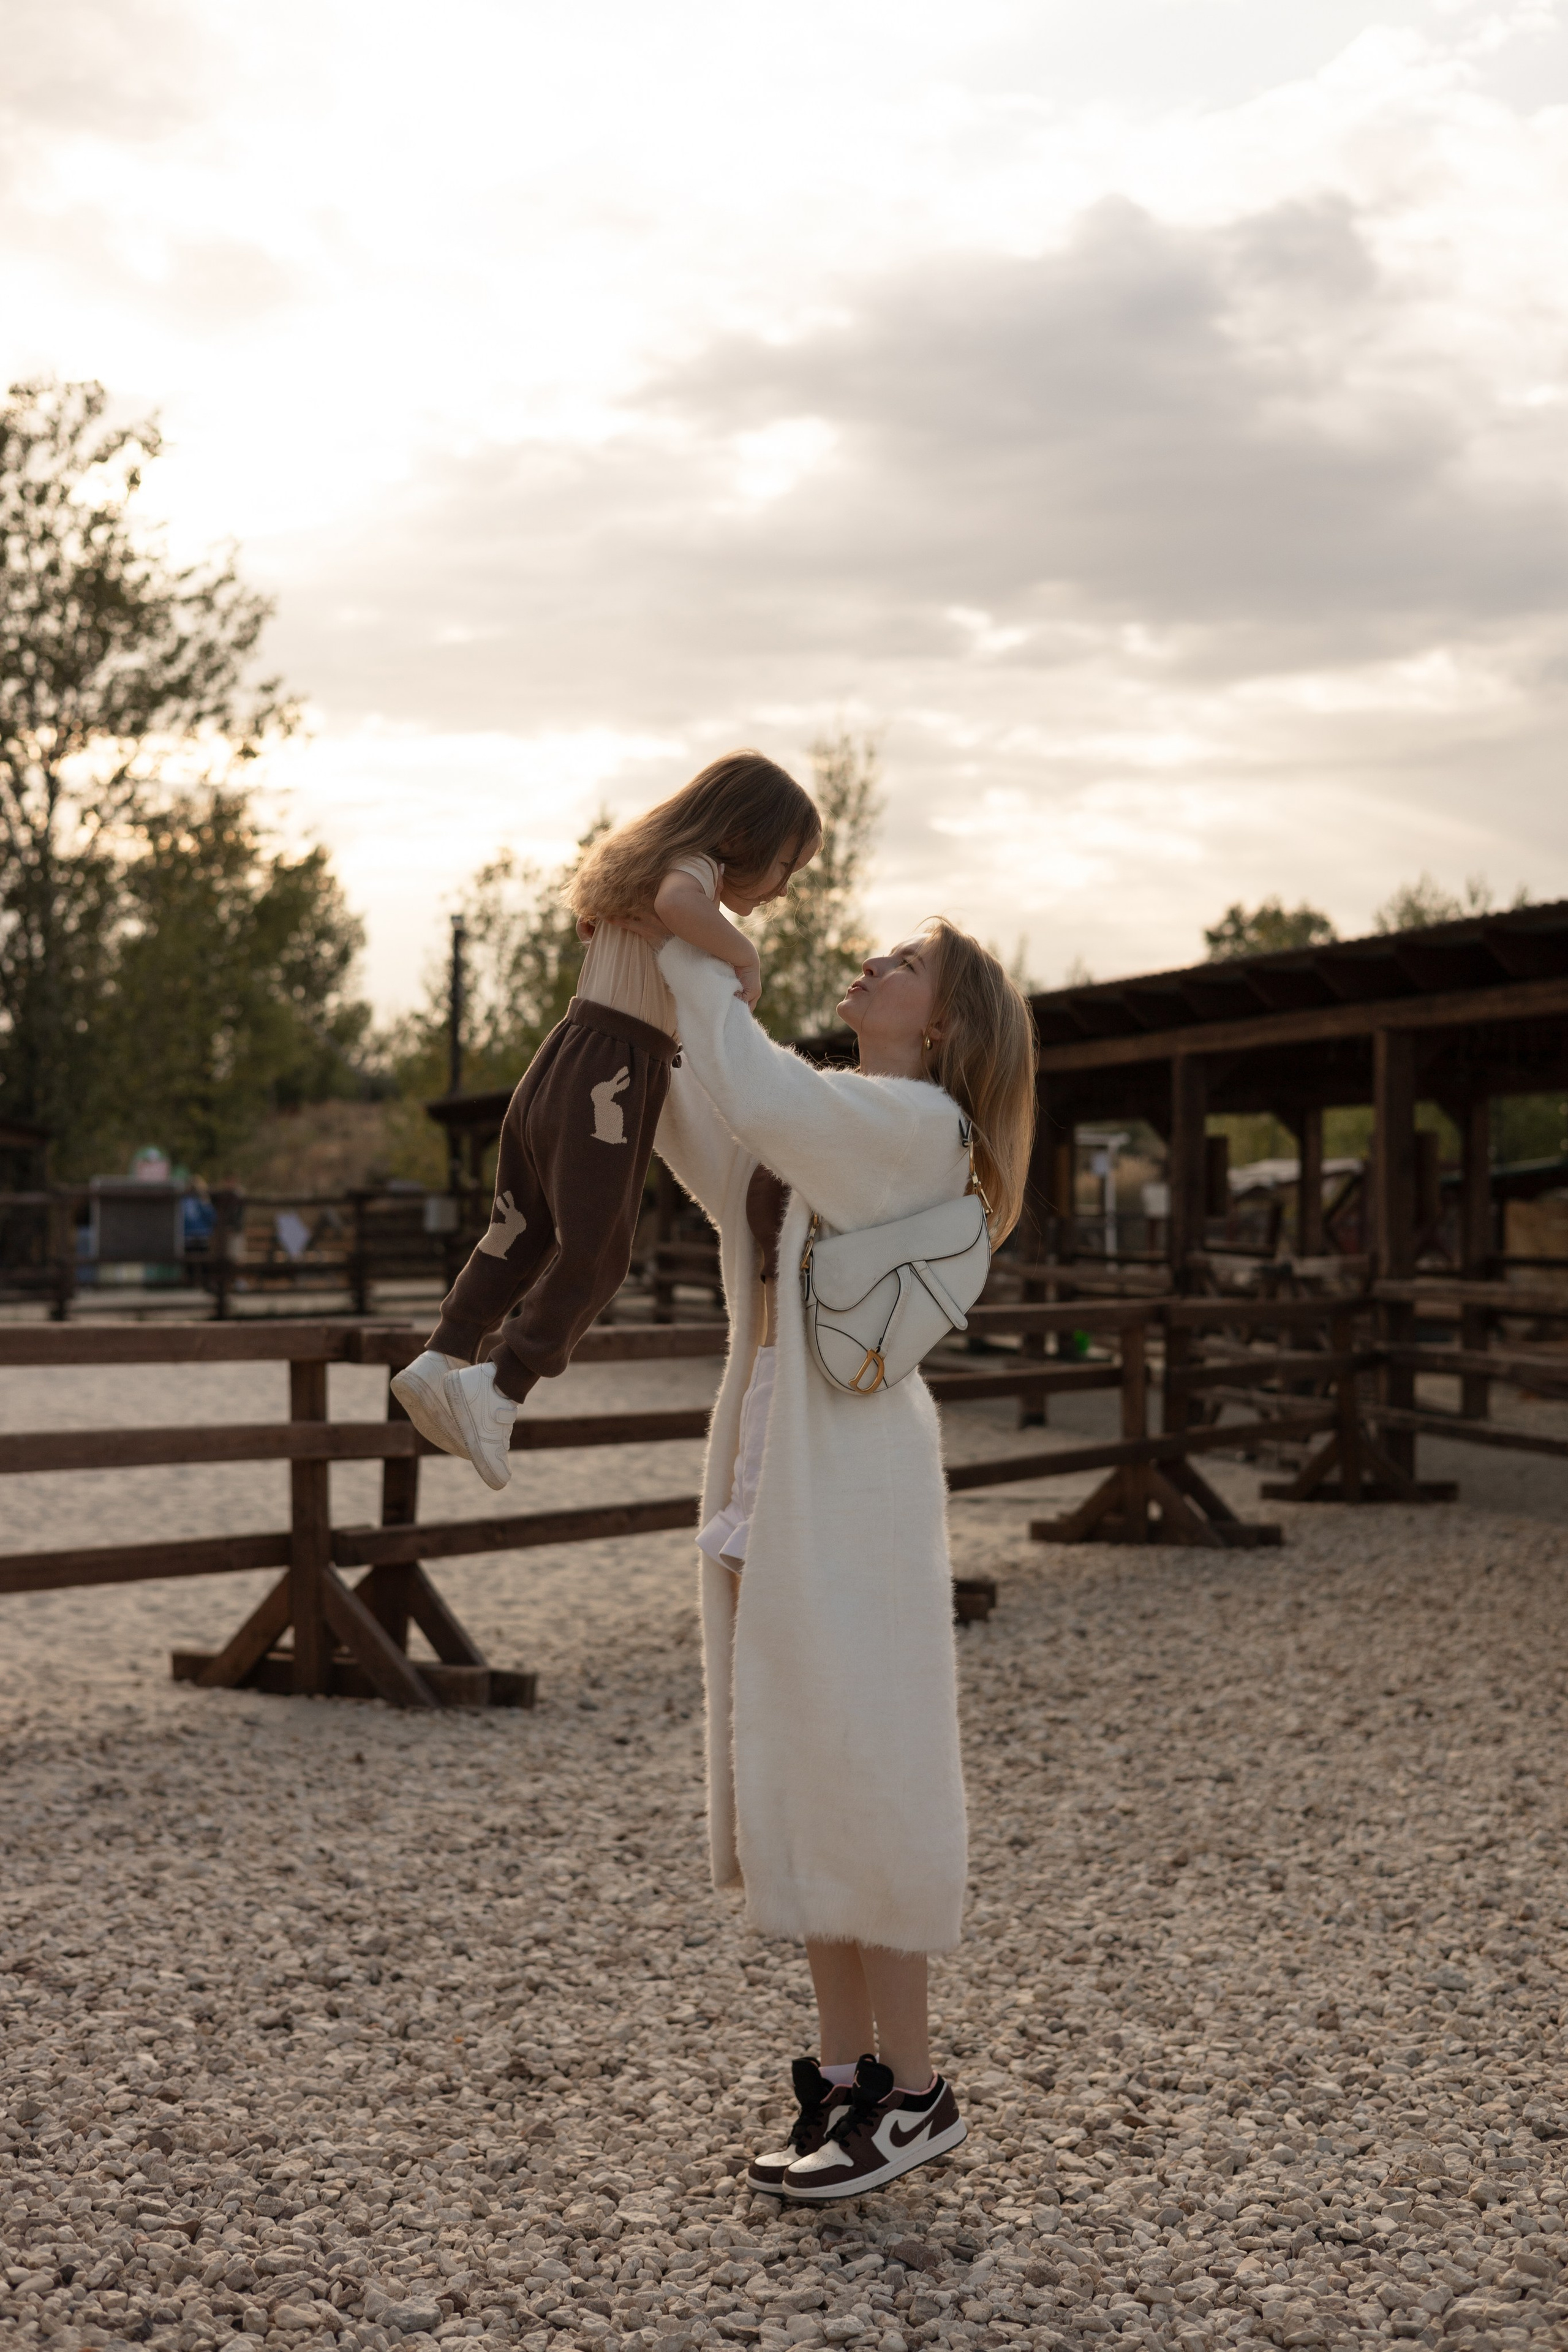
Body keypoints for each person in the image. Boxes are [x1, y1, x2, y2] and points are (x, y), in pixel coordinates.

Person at [654, 915, 1036, 2201]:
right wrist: (634, 1016)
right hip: (780, 1467)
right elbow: (720, 1138)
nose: (870, 962)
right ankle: (841, 2077)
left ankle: (916, 2089)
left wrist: (704, 947)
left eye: (903, 962)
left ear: (941, 1022)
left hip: (850, 1483)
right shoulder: (840, 1120)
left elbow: (754, 1084)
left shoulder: (914, 1122)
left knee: (867, 1764)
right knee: (803, 1763)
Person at [392, 753, 821, 1485]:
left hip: (562, 1056)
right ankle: (500, 1388)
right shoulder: (695, 872)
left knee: (520, 1224)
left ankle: (445, 1351)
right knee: (600, 1250)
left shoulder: (642, 875)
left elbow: (656, 924)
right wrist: (743, 956)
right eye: (786, 865)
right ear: (744, 832)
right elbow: (683, 907)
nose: (783, 887)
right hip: (614, 1070)